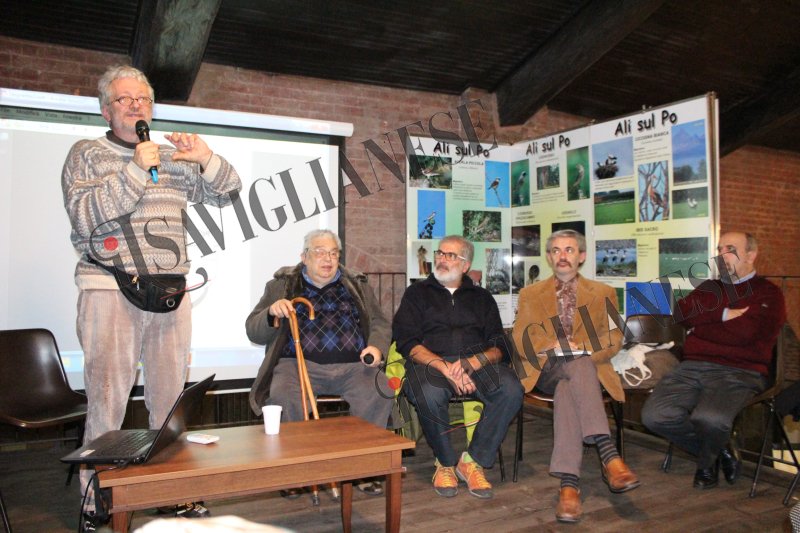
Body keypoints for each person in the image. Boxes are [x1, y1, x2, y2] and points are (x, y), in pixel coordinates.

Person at [62, 65, 241, 530]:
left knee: (169, 401)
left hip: (169, 293)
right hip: (109, 288)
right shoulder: (86, 154)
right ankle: (96, 497)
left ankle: (171, 494)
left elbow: (229, 192)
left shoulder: (171, 156)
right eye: (125, 99)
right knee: (108, 401)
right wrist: (135, 170)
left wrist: (205, 158)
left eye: (143, 99)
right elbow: (85, 217)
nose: (136, 105)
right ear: (106, 110)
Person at [246, 229, 393, 496]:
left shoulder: (356, 284)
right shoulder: (280, 286)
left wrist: (376, 347)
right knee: (284, 395)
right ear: (304, 257)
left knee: (379, 389)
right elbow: (252, 330)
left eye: (334, 253)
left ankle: (361, 469)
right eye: (320, 252)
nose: (328, 259)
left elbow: (380, 323)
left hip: (353, 365)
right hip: (297, 365)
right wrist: (270, 313)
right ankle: (296, 472)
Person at [511, 229, 639, 523]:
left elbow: (614, 337)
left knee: (570, 384)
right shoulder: (530, 294)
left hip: (584, 369)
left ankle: (569, 487)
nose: (562, 256)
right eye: (556, 250)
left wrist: (582, 346)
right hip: (545, 368)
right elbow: (519, 337)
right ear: (548, 257)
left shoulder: (603, 293)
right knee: (576, 368)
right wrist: (552, 345)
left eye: (569, 250)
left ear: (581, 256)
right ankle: (609, 455)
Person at [642, 231, 786, 489]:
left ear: (751, 255)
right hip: (692, 367)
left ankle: (707, 464)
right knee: (654, 416)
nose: (721, 255)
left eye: (730, 249)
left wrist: (701, 327)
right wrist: (724, 314)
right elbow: (681, 313)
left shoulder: (769, 294)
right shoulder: (710, 288)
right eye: (719, 249)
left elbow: (746, 333)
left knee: (711, 419)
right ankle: (720, 449)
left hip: (739, 371)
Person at [393, 235, 523, 500]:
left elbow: (500, 345)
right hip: (430, 364)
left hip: (476, 364)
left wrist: (471, 363)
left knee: (511, 389)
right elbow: (407, 341)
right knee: (428, 392)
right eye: (440, 253)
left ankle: (473, 461)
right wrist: (446, 367)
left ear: (465, 265)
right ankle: (445, 462)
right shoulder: (416, 294)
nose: (441, 259)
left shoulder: (482, 297)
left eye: (450, 256)